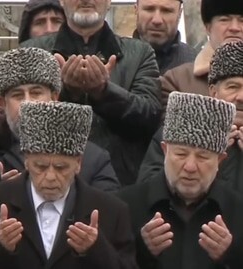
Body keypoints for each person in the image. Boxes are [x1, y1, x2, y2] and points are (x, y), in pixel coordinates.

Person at [0, 101, 137, 269]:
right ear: (26, 160)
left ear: (78, 163)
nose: (50, 177)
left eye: (61, 167)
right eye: (40, 166)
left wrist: (97, 249)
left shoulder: (111, 211)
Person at [21, 0, 162, 186]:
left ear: (109, 2)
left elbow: (150, 116)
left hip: (122, 185)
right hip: (50, 182)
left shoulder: (140, 53)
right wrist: (69, 94)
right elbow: (22, 119)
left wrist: (104, 92)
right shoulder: (32, 52)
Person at [0, 47, 120, 192]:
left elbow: (109, 214)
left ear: (54, 97)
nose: (28, 102)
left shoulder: (93, 158)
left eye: (36, 93)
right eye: (18, 95)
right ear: (2, 103)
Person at [117, 92, 243, 269]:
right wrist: (140, 250)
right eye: (181, 154)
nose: (190, 166)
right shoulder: (123, 206)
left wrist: (230, 255)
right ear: (165, 150)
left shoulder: (238, 211)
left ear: (220, 161)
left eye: (203, 157)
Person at [138, 41, 243, 189]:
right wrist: (211, 155)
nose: (241, 97)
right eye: (233, 87)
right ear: (213, 92)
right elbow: (146, 189)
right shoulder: (179, 128)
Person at [160, 0, 243, 109]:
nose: (234, 28)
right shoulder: (177, 81)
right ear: (208, 27)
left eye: (242, 20)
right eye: (224, 20)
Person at [133, 0, 196, 74]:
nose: (157, 20)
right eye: (149, 9)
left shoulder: (197, 66)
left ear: (179, 14)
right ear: (136, 10)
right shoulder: (118, 63)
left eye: (166, 11)